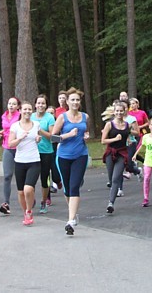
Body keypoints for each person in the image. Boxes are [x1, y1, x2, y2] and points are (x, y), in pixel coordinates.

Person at [51, 88, 90, 236]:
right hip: (63, 156)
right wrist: (67, 135)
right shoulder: (62, 117)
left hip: (80, 155)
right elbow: (53, 138)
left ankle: (70, 220)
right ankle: (73, 214)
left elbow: (87, 131)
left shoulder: (85, 117)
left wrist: (86, 135)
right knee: (67, 188)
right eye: (72, 100)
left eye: (77, 100)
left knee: (74, 186)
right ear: (67, 102)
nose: (75, 102)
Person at [8, 102, 41, 226]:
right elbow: (10, 144)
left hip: (34, 160)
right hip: (20, 161)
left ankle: (29, 209)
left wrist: (38, 139)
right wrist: (20, 138)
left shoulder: (36, 124)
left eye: (29, 109)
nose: (27, 111)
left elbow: (38, 136)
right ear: (20, 111)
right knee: (21, 192)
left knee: (28, 189)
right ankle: (26, 213)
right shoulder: (15, 126)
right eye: (25, 109)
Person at [102, 101, 135, 214]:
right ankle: (112, 195)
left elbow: (128, 135)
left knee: (116, 178)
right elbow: (103, 141)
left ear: (124, 111)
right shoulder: (109, 124)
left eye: (121, 111)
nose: (119, 113)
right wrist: (115, 139)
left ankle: (111, 203)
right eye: (117, 111)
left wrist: (129, 139)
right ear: (114, 112)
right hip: (111, 153)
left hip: (122, 153)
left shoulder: (127, 125)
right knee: (111, 179)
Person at [33, 94, 59, 214]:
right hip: (32, 152)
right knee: (31, 178)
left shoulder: (50, 118)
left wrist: (40, 131)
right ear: (35, 105)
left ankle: (44, 201)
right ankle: (30, 198)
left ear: (46, 105)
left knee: (44, 178)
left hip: (46, 152)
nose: (40, 105)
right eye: (38, 103)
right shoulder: (31, 116)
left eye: (43, 103)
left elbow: (52, 137)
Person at [0, 97, 20, 215]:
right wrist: (1, 133)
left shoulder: (20, 116)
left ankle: (29, 197)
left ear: (17, 106)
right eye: (9, 103)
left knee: (21, 177)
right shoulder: (4, 116)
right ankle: (6, 203)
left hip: (19, 148)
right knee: (7, 175)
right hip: (7, 147)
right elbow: (6, 129)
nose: (11, 106)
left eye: (13, 104)